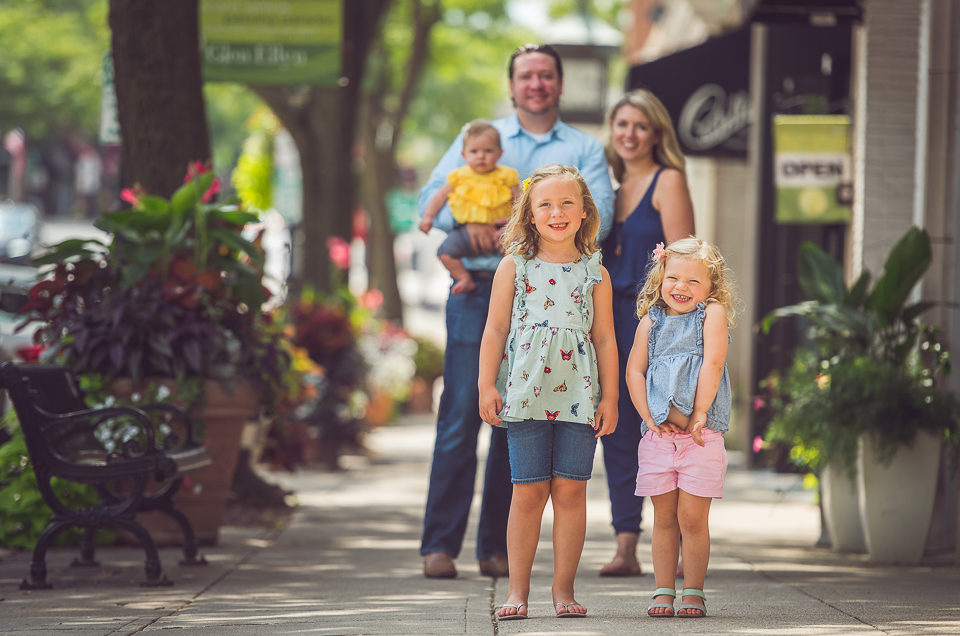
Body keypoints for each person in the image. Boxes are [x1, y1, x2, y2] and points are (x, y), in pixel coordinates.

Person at [417, 43, 614, 580]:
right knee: (462, 412)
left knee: (516, 421)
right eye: (526, 75)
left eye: (545, 75)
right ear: (512, 85)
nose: (535, 83)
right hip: (481, 286)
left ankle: (495, 549)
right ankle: (439, 543)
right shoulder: (480, 137)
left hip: (555, 294)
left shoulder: (584, 147)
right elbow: (431, 199)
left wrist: (523, 233)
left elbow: (601, 218)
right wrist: (473, 226)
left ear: (560, 84)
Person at [478, 165, 618, 620]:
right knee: (527, 492)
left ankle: (563, 590)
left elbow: (605, 340)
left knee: (571, 492)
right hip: (524, 393)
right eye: (546, 204)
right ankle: (517, 591)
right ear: (530, 214)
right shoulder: (514, 267)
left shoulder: (595, 272)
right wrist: (486, 385)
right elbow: (495, 329)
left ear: (583, 213)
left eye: (566, 204)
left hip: (580, 395)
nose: (556, 212)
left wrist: (610, 397)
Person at [596, 89, 696, 577]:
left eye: (639, 125)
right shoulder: (608, 191)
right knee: (615, 429)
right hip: (607, 323)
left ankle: (674, 541)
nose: (629, 134)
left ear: (656, 132)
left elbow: (684, 263)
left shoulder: (668, 180)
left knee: (663, 426)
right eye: (621, 125)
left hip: (652, 322)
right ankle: (626, 544)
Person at [625, 237, 736, 618]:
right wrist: (649, 419)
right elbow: (634, 371)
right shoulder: (650, 321)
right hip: (659, 438)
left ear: (710, 288)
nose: (681, 288)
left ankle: (693, 589)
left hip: (700, 437)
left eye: (693, 282)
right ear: (660, 279)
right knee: (664, 518)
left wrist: (700, 411)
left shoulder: (711, 314)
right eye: (673, 278)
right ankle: (661, 590)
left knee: (692, 518)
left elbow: (713, 363)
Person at [419, 121, 520, 295]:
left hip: (500, 231)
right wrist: (428, 217)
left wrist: (517, 225)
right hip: (466, 231)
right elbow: (439, 197)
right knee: (445, 253)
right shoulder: (459, 176)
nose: (481, 156)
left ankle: (511, 283)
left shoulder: (506, 176)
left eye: (488, 151)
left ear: (499, 153)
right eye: (474, 151)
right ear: (464, 155)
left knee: (518, 253)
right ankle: (463, 278)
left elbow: (519, 200)